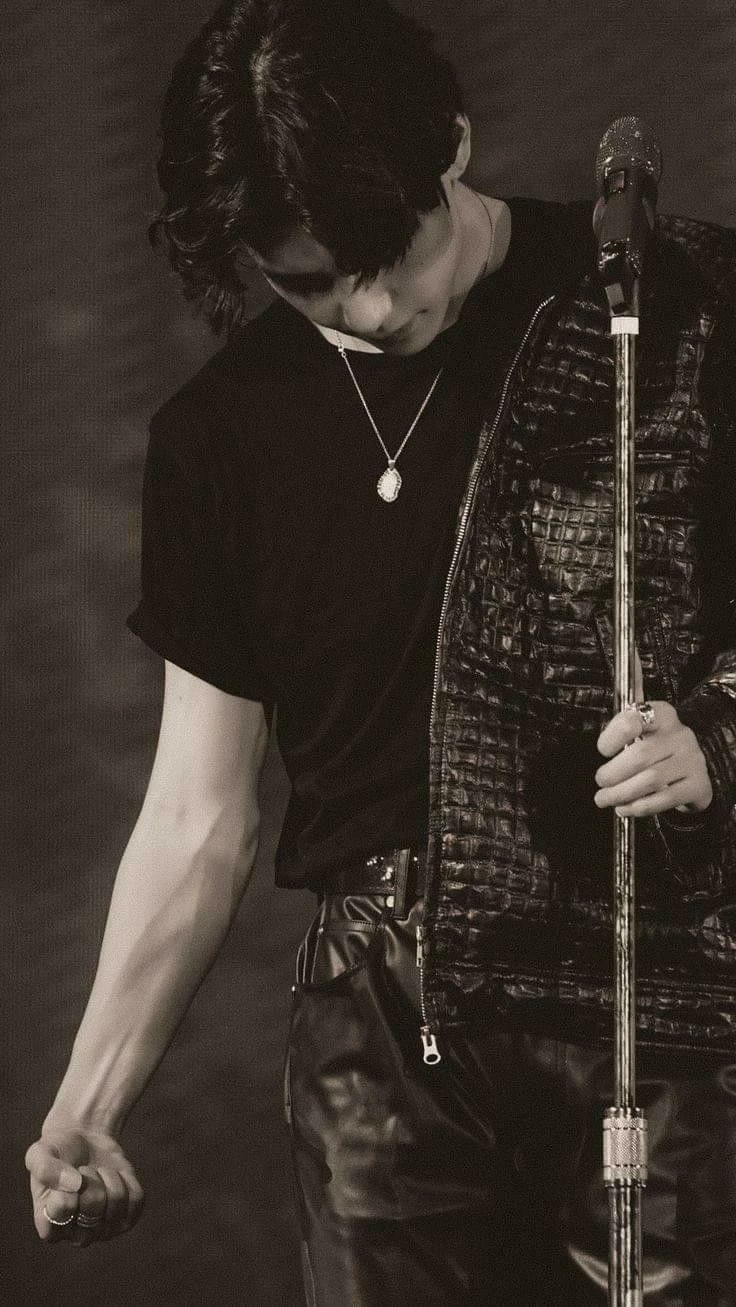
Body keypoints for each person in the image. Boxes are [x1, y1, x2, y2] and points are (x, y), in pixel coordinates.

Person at [25, 0, 736, 1302]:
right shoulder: (222, 437)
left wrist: (723, 739)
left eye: (387, 255)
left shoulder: (673, 304)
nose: (368, 307)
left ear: (451, 143)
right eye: (307, 282)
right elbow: (196, 815)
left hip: (653, 995)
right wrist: (85, 1109)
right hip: (381, 1041)